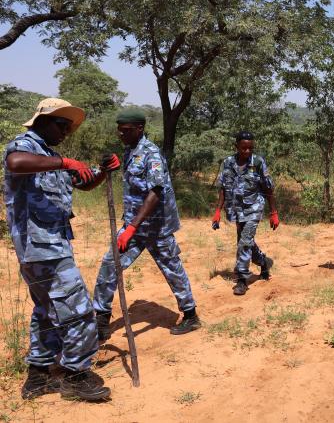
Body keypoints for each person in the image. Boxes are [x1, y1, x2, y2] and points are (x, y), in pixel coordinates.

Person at [4, 98, 115, 401]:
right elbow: (15, 163)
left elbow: (83, 182)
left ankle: (38, 377)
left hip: (45, 248)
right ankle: (76, 377)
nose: (66, 131)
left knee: (46, 312)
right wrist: (65, 162)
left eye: (69, 127)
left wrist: (102, 172)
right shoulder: (25, 145)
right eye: (62, 125)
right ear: (43, 120)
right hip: (42, 249)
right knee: (79, 311)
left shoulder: (49, 154)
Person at [93, 108, 200, 341]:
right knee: (109, 265)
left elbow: (156, 192)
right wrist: (106, 166)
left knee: (172, 269)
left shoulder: (151, 154)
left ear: (140, 129)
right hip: (134, 225)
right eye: (119, 131)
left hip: (156, 227)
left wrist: (132, 228)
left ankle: (190, 316)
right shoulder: (130, 150)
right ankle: (101, 320)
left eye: (126, 131)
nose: (121, 135)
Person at [211, 131, 279, 296]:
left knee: (244, 241)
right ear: (237, 147)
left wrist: (274, 212)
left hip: (254, 207)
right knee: (245, 241)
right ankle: (263, 262)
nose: (247, 152)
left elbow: (268, 188)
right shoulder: (227, 163)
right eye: (243, 148)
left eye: (250, 148)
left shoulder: (258, 162)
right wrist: (217, 211)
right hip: (236, 209)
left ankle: (242, 279)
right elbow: (223, 188)